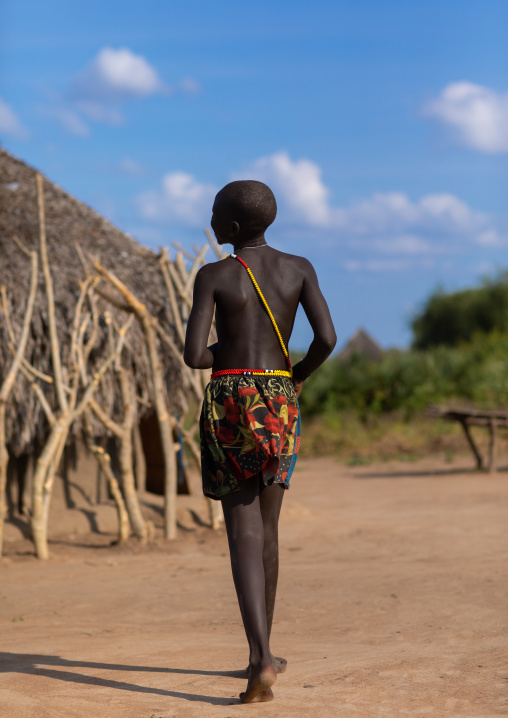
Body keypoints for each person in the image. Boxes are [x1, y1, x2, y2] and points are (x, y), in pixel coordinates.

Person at [184, 180, 336, 703]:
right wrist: (295, 376)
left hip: (231, 397)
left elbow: (193, 355)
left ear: (227, 228)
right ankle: (263, 653)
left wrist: (231, 348)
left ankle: (260, 661)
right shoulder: (299, 268)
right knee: (267, 529)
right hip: (279, 396)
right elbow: (327, 340)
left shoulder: (214, 275)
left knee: (242, 531)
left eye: (212, 215)